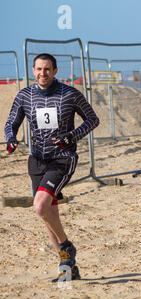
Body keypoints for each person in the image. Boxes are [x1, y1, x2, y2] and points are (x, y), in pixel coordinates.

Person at [4, 53, 100, 282]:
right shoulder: (25, 96)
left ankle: (66, 246)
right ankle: (68, 269)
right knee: (49, 213)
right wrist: (10, 139)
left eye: (47, 69)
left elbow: (92, 119)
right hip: (37, 160)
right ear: (33, 71)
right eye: (38, 69)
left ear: (55, 71)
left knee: (40, 207)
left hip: (62, 158)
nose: (42, 73)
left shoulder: (69, 94)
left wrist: (71, 136)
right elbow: (11, 123)